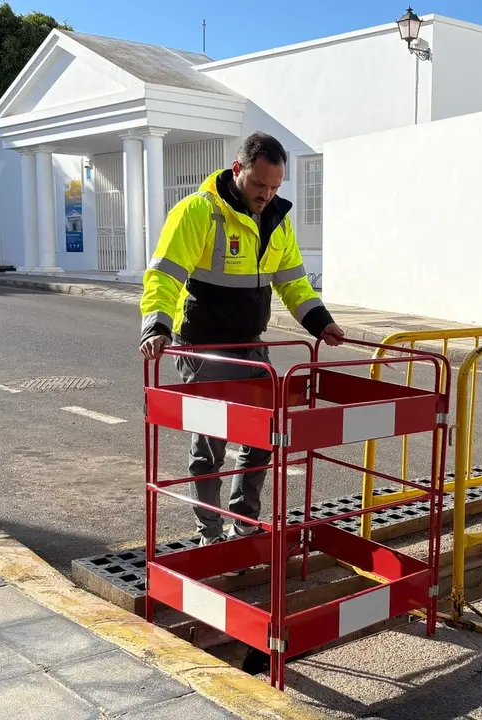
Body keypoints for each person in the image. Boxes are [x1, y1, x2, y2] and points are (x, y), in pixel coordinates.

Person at [140, 131, 344, 546]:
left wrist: (321, 321)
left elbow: (294, 284)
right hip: (202, 346)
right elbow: (164, 275)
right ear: (238, 169)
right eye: (258, 184)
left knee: (263, 435)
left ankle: (244, 524)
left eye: (274, 187)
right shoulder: (198, 212)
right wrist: (156, 326)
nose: (266, 194)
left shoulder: (277, 221)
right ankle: (209, 534)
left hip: (250, 344)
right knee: (210, 445)